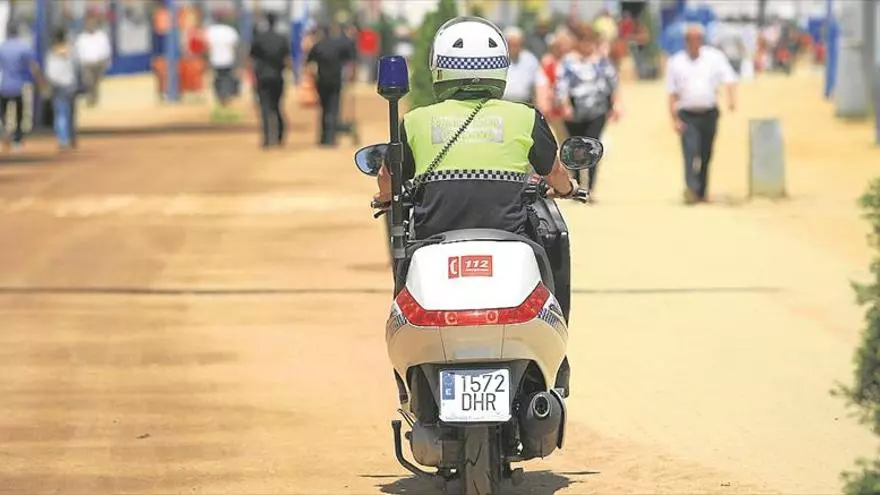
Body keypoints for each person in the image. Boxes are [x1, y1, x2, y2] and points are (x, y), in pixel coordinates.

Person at [372, 16, 580, 393]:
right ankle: (558, 358)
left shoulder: (415, 122)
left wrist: (384, 197)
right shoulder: (524, 117)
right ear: (500, 68)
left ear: (439, 68)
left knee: (403, 269)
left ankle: (407, 383)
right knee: (555, 245)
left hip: (434, 243)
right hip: (511, 240)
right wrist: (568, 188)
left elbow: (389, 179)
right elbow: (555, 174)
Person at [666, 24, 738, 204]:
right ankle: (691, 189)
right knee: (690, 152)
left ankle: (702, 191)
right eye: (690, 39)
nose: (694, 42)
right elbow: (672, 93)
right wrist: (673, 119)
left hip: (709, 113)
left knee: (706, 153)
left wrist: (731, 99)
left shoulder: (714, 58)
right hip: (687, 114)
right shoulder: (676, 62)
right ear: (685, 41)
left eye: (697, 38)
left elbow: (730, 78)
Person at [555, 26, 619, 197]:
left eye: (590, 41)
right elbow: (561, 86)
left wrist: (615, 105)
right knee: (576, 148)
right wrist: (565, 105)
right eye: (583, 41)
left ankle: (590, 188)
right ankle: (577, 185)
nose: (587, 45)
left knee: (592, 147)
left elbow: (612, 84)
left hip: (597, 111)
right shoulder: (568, 62)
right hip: (575, 112)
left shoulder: (602, 62)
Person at [306, 23, 355, 147]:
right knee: (333, 108)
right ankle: (331, 138)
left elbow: (310, 64)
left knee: (324, 108)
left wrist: (313, 77)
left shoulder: (318, 46)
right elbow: (349, 61)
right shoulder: (339, 45)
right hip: (335, 80)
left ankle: (323, 138)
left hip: (322, 81)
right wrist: (350, 76)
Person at [248, 12, 290, 148]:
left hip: (262, 76)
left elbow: (252, 57)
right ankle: (279, 136)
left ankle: (267, 138)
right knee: (277, 106)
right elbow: (287, 59)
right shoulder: (282, 39)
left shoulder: (259, 39)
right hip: (277, 76)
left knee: (265, 107)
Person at [0, 23, 43, 152]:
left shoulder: (2, 47)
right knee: (20, 114)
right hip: (20, 85)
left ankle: (5, 131)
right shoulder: (24, 47)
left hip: (4, 85)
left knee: (3, 112)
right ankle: (17, 139)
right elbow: (34, 66)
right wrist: (40, 80)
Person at [45, 28, 80, 150]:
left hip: (57, 85)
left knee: (60, 113)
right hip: (70, 84)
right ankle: (72, 137)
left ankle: (63, 139)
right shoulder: (71, 50)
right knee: (71, 113)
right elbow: (77, 65)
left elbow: (49, 72)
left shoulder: (51, 53)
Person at [535, 29, 572, 141]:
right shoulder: (547, 62)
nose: (561, 48)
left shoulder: (571, 60)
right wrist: (543, 103)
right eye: (559, 45)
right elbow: (542, 83)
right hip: (554, 107)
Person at [205, 13, 240, 119]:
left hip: (215, 60)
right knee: (227, 79)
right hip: (228, 59)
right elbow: (235, 46)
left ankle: (220, 98)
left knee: (218, 80)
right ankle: (227, 98)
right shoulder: (230, 31)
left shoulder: (210, 31)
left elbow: (207, 46)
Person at [74, 16, 111, 107]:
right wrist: (79, 62)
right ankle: (91, 98)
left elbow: (106, 48)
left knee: (95, 82)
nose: (90, 26)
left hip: (99, 63)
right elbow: (77, 51)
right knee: (88, 82)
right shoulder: (81, 38)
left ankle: (94, 98)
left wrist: (106, 61)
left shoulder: (101, 36)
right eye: (88, 24)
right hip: (87, 64)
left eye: (92, 24)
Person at [501, 26, 541, 104]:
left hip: (524, 103)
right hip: (501, 103)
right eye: (510, 44)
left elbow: (538, 85)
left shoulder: (530, 60)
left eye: (516, 44)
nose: (513, 48)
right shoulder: (498, 60)